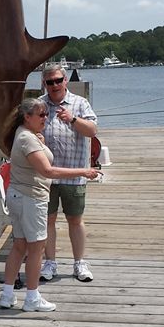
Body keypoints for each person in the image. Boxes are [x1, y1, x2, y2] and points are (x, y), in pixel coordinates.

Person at [0, 98, 100, 312]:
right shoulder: (27, 139)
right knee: (37, 248)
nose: (46, 118)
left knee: (19, 245)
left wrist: (41, 141)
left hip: (17, 195)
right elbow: (48, 171)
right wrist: (84, 171)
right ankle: (32, 298)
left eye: (47, 114)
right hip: (30, 197)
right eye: (41, 115)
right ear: (27, 117)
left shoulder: (23, 133)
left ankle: (7, 295)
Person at [38, 62, 98, 283]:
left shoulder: (80, 103)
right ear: (44, 84)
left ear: (65, 81)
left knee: (75, 219)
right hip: (47, 175)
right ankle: (50, 262)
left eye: (57, 80)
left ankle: (79, 263)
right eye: (49, 82)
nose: (54, 85)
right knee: (48, 219)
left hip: (74, 174)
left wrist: (72, 119)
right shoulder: (39, 105)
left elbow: (92, 130)